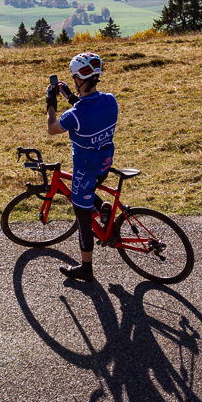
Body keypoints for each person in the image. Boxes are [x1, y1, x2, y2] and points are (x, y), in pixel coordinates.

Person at [46, 51, 118, 282]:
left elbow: (53, 128)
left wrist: (51, 103)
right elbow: (88, 111)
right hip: (104, 164)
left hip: (85, 169)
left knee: (83, 219)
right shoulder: (110, 100)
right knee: (89, 193)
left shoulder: (73, 115)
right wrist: (69, 95)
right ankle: (103, 210)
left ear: (79, 78)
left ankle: (86, 269)